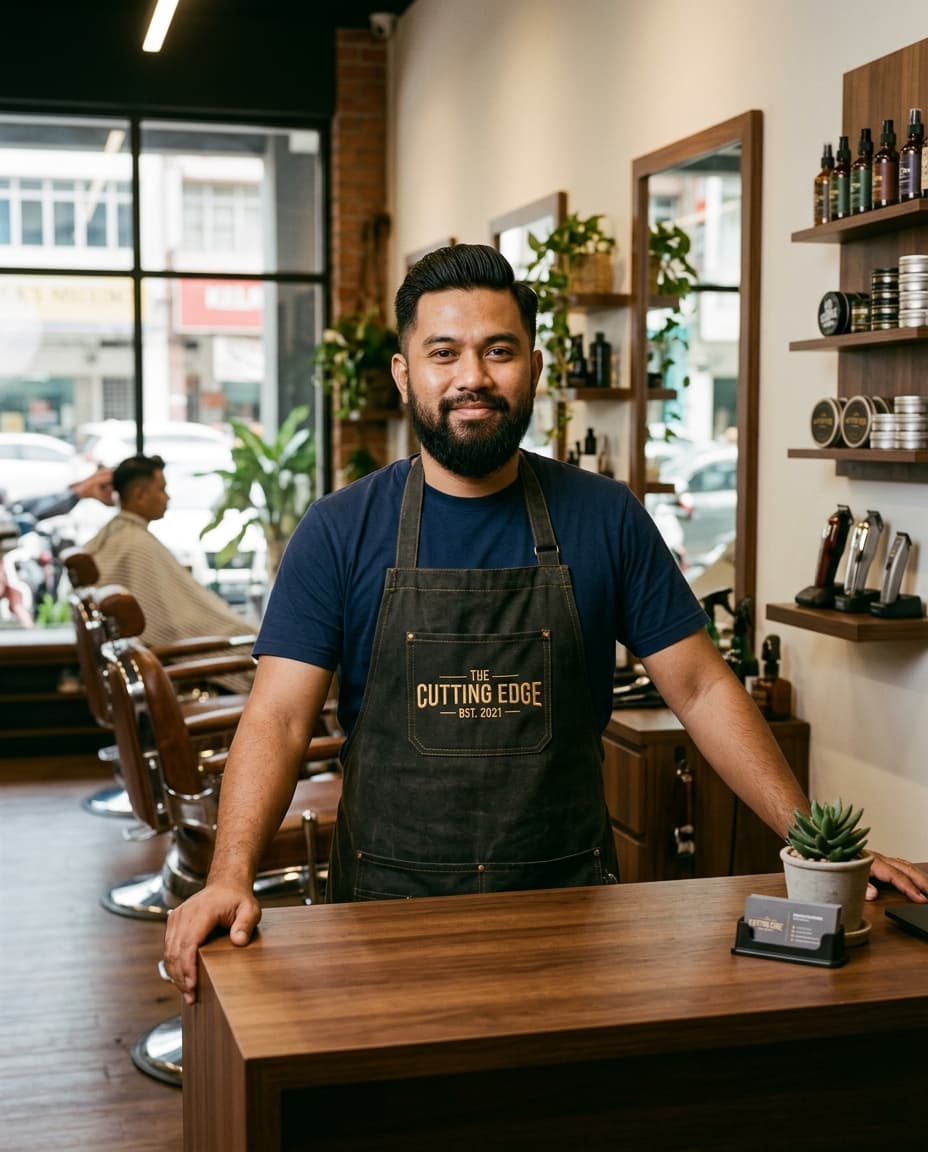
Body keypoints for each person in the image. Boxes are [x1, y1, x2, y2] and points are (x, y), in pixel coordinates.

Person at [163, 243, 928, 1004]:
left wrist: (817, 843)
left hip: (570, 907)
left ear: (532, 367)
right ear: (405, 374)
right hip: (385, 913)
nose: (472, 377)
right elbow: (278, 718)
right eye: (444, 353)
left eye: (498, 351)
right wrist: (230, 877)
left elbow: (699, 688)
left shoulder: (605, 517)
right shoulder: (340, 531)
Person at [83, 454, 255, 691]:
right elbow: (167, 625)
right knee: (256, 643)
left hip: (139, 668)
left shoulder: (119, 536)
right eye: (162, 489)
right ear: (140, 495)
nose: (168, 497)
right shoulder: (136, 546)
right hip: (168, 664)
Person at [8, 467, 115, 523]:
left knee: (33, 514)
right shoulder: (101, 477)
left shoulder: (104, 480)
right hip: (68, 494)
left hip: (70, 497)